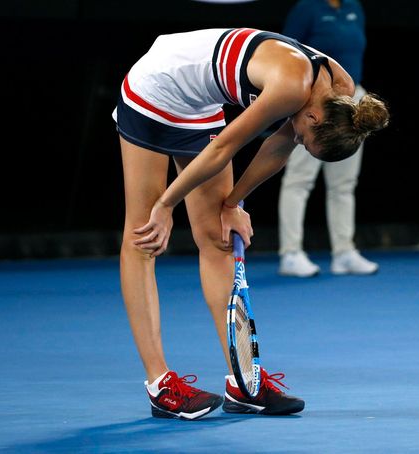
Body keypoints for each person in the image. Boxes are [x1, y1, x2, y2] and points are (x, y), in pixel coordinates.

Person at [113, 27, 389, 420]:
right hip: (157, 86)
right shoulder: (294, 87)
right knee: (143, 236)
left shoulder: (339, 92)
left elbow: (277, 146)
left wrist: (232, 204)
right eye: (306, 139)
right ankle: (160, 385)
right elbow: (225, 146)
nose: (299, 140)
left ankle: (244, 383)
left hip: (199, 101)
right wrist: (165, 205)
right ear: (312, 116)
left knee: (219, 238)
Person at [277, 0, 378, 277]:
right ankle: (291, 253)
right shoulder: (307, 8)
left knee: (344, 183)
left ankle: (344, 252)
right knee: (299, 180)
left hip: (352, 99)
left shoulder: (355, 7)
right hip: (315, 102)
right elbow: (286, 53)